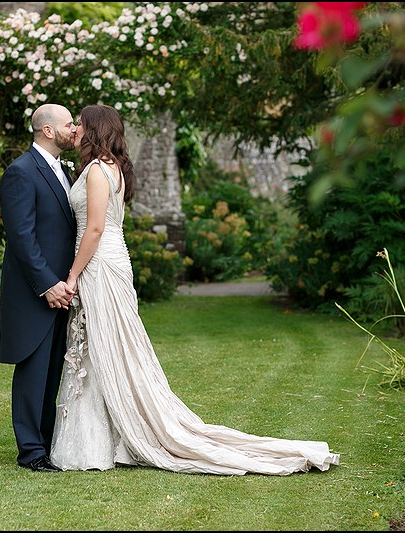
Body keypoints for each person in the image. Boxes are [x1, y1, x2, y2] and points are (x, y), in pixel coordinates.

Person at [50, 104, 339, 475]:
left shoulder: (96, 170)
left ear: (93, 130)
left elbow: (94, 229)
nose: (74, 129)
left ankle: (101, 442)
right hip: (112, 260)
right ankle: (101, 438)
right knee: (103, 347)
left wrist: (72, 275)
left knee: (106, 345)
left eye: (80, 124)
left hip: (99, 264)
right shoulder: (113, 167)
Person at [0, 103, 77, 473]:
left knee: (52, 372)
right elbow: (22, 238)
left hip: (64, 291)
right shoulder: (21, 171)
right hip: (37, 292)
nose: (74, 129)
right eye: (69, 124)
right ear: (48, 130)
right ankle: (30, 452)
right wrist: (47, 285)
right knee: (33, 372)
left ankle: (46, 445)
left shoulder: (62, 170)